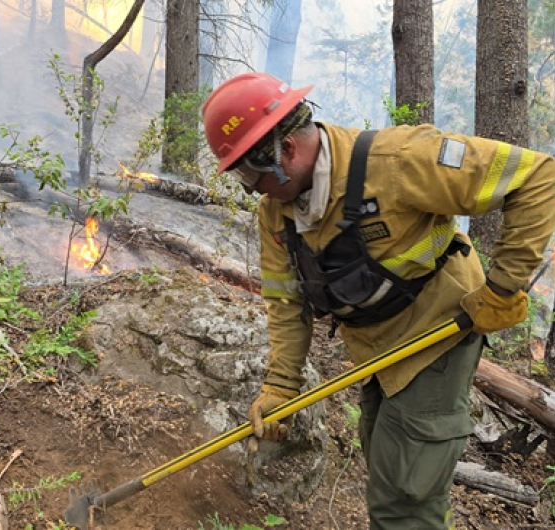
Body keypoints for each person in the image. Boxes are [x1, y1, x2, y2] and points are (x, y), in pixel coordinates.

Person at [201, 72, 555, 530]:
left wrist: (504, 286)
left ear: (282, 150)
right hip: (375, 346)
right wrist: (280, 387)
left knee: (404, 496)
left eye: (248, 174)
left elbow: (535, 176)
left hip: (441, 332)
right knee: (390, 467)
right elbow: (287, 306)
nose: (251, 189)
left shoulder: (396, 161)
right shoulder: (277, 215)